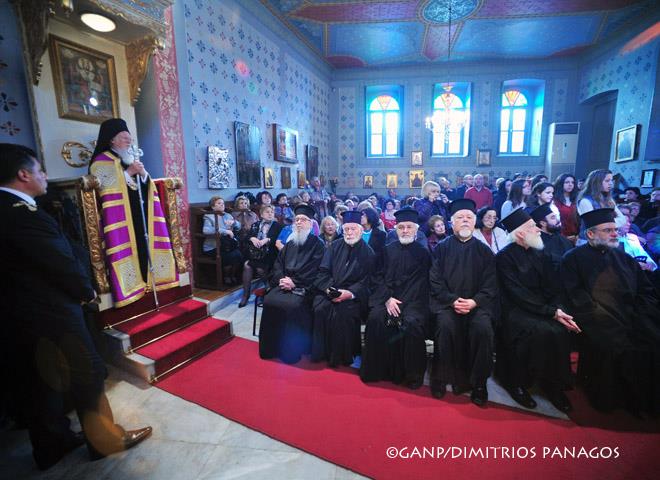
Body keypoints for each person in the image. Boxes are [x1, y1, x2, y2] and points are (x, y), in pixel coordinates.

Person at [0, 144, 151, 469]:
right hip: (51, 311)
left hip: (19, 315)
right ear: (23, 174)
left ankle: (52, 444)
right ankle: (105, 439)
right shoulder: (22, 214)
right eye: (39, 170)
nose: (45, 176)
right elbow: (60, 262)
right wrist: (86, 292)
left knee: (42, 379)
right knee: (88, 373)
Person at [560, 208, 660, 415]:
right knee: (614, 344)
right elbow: (575, 296)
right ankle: (611, 400)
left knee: (652, 340)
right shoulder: (572, 259)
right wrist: (605, 317)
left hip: (632, 316)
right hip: (596, 319)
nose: (615, 234)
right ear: (590, 234)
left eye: (615, 230)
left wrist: (640, 314)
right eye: (608, 230)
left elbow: (645, 290)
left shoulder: (624, 258)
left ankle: (642, 402)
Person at [89, 118, 178, 307]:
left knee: (145, 245)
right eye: (124, 138)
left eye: (129, 138)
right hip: (121, 218)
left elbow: (147, 185)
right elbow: (104, 188)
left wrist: (143, 174)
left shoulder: (129, 158)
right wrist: (129, 172)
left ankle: (149, 281)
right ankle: (131, 288)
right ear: (112, 140)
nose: (128, 141)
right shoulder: (101, 161)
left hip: (140, 214)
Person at [496, 208, 577, 413]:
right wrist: (550, 312)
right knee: (540, 331)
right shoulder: (504, 257)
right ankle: (517, 383)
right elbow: (516, 293)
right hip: (516, 309)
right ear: (520, 233)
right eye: (532, 227)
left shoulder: (540, 252)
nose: (538, 230)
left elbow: (554, 285)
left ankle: (554, 385)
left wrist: (558, 309)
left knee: (559, 331)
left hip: (543, 307)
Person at [429, 199, 497, 407]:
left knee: (483, 329)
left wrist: (474, 302)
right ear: (452, 223)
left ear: (475, 221)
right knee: (445, 326)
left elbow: (490, 284)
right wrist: (452, 300)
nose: (465, 221)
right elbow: (435, 281)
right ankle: (440, 377)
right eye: (460, 217)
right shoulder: (441, 249)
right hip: (447, 304)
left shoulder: (485, 251)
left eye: (469, 217)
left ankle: (479, 383)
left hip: (477, 306)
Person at [361, 208, 431, 388]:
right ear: (396, 229)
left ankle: (411, 375)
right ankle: (377, 371)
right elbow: (376, 278)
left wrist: (404, 304)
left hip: (413, 302)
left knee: (410, 323)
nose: (405, 231)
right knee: (376, 318)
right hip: (387, 299)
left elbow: (423, 285)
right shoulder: (386, 251)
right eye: (401, 227)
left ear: (416, 229)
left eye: (409, 227)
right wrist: (387, 299)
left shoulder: (424, 254)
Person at [258, 205, 326, 364]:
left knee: (292, 305)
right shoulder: (290, 243)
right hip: (283, 283)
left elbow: (316, 270)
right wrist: (282, 279)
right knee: (269, 301)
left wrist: (295, 282)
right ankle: (270, 349)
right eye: (297, 220)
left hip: (304, 287)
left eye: (303, 220)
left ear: (311, 223)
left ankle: (290, 352)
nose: (299, 222)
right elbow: (278, 264)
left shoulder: (318, 244)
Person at [311, 211, 375, 367]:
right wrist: (328, 289)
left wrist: (349, 293)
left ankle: (341, 356)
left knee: (342, 313)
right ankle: (321, 353)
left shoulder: (368, 252)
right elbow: (323, 271)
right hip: (330, 290)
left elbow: (366, 281)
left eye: (353, 229)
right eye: (346, 229)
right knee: (320, 309)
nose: (349, 232)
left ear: (361, 230)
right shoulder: (334, 246)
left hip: (353, 296)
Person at [238, 205, 282, 308]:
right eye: (267, 212)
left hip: (271, 253)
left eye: (272, 212)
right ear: (261, 214)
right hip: (256, 253)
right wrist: (252, 238)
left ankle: (268, 289)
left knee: (259, 268)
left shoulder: (278, 225)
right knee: (247, 265)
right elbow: (246, 238)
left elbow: (279, 239)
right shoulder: (256, 224)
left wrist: (268, 239)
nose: (270, 214)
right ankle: (246, 295)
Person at [202, 196, 242, 284]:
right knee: (229, 256)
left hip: (227, 245)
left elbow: (239, 227)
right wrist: (225, 231)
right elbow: (206, 230)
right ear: (213, 206)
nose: (222, 205)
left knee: (238, 254)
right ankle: (226, 277)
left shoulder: (227, 215)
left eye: (223, 203)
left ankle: (232, 275)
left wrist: (234, 223)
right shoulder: (209, 216)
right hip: (213, 247)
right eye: (219, 203)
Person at [530, 204, 573, 274]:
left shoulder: (560, 237)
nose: (557, 220)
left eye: (556, 217)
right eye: (553, 218)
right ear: (543, 223)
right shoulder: (538, 243)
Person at [553, 173, 579, 242]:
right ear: (560, 183)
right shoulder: (554, 200)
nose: (570, 184)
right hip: (560, 237)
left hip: (576, 236)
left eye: (572, 182)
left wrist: (578, 235)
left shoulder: (577, 199)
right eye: (567, 182)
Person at [361, 207, 386, 272]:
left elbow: (381, 255)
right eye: (361, 215)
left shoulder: (381, 235)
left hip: (373, 268)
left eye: (364, 215)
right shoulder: (356, 233)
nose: (361, 217)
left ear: (370, 216)